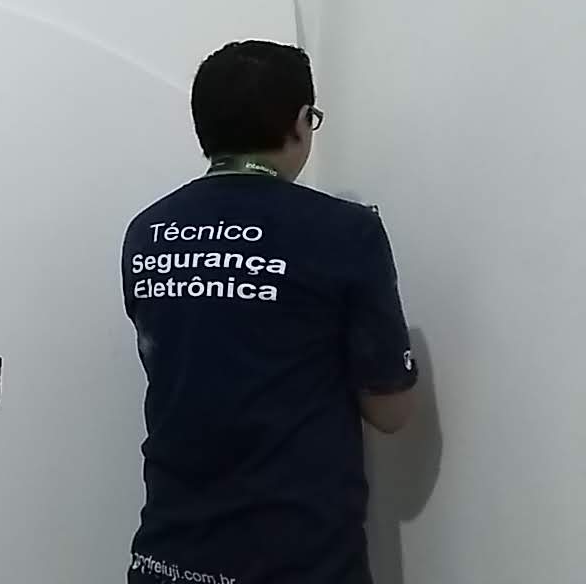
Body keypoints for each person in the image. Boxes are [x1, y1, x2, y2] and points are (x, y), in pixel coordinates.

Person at [121, 40, 417, 584]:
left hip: (169, 554)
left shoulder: (147, 231)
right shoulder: (345, 231)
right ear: (301, 122)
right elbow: (391, 412)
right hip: (300, 558)